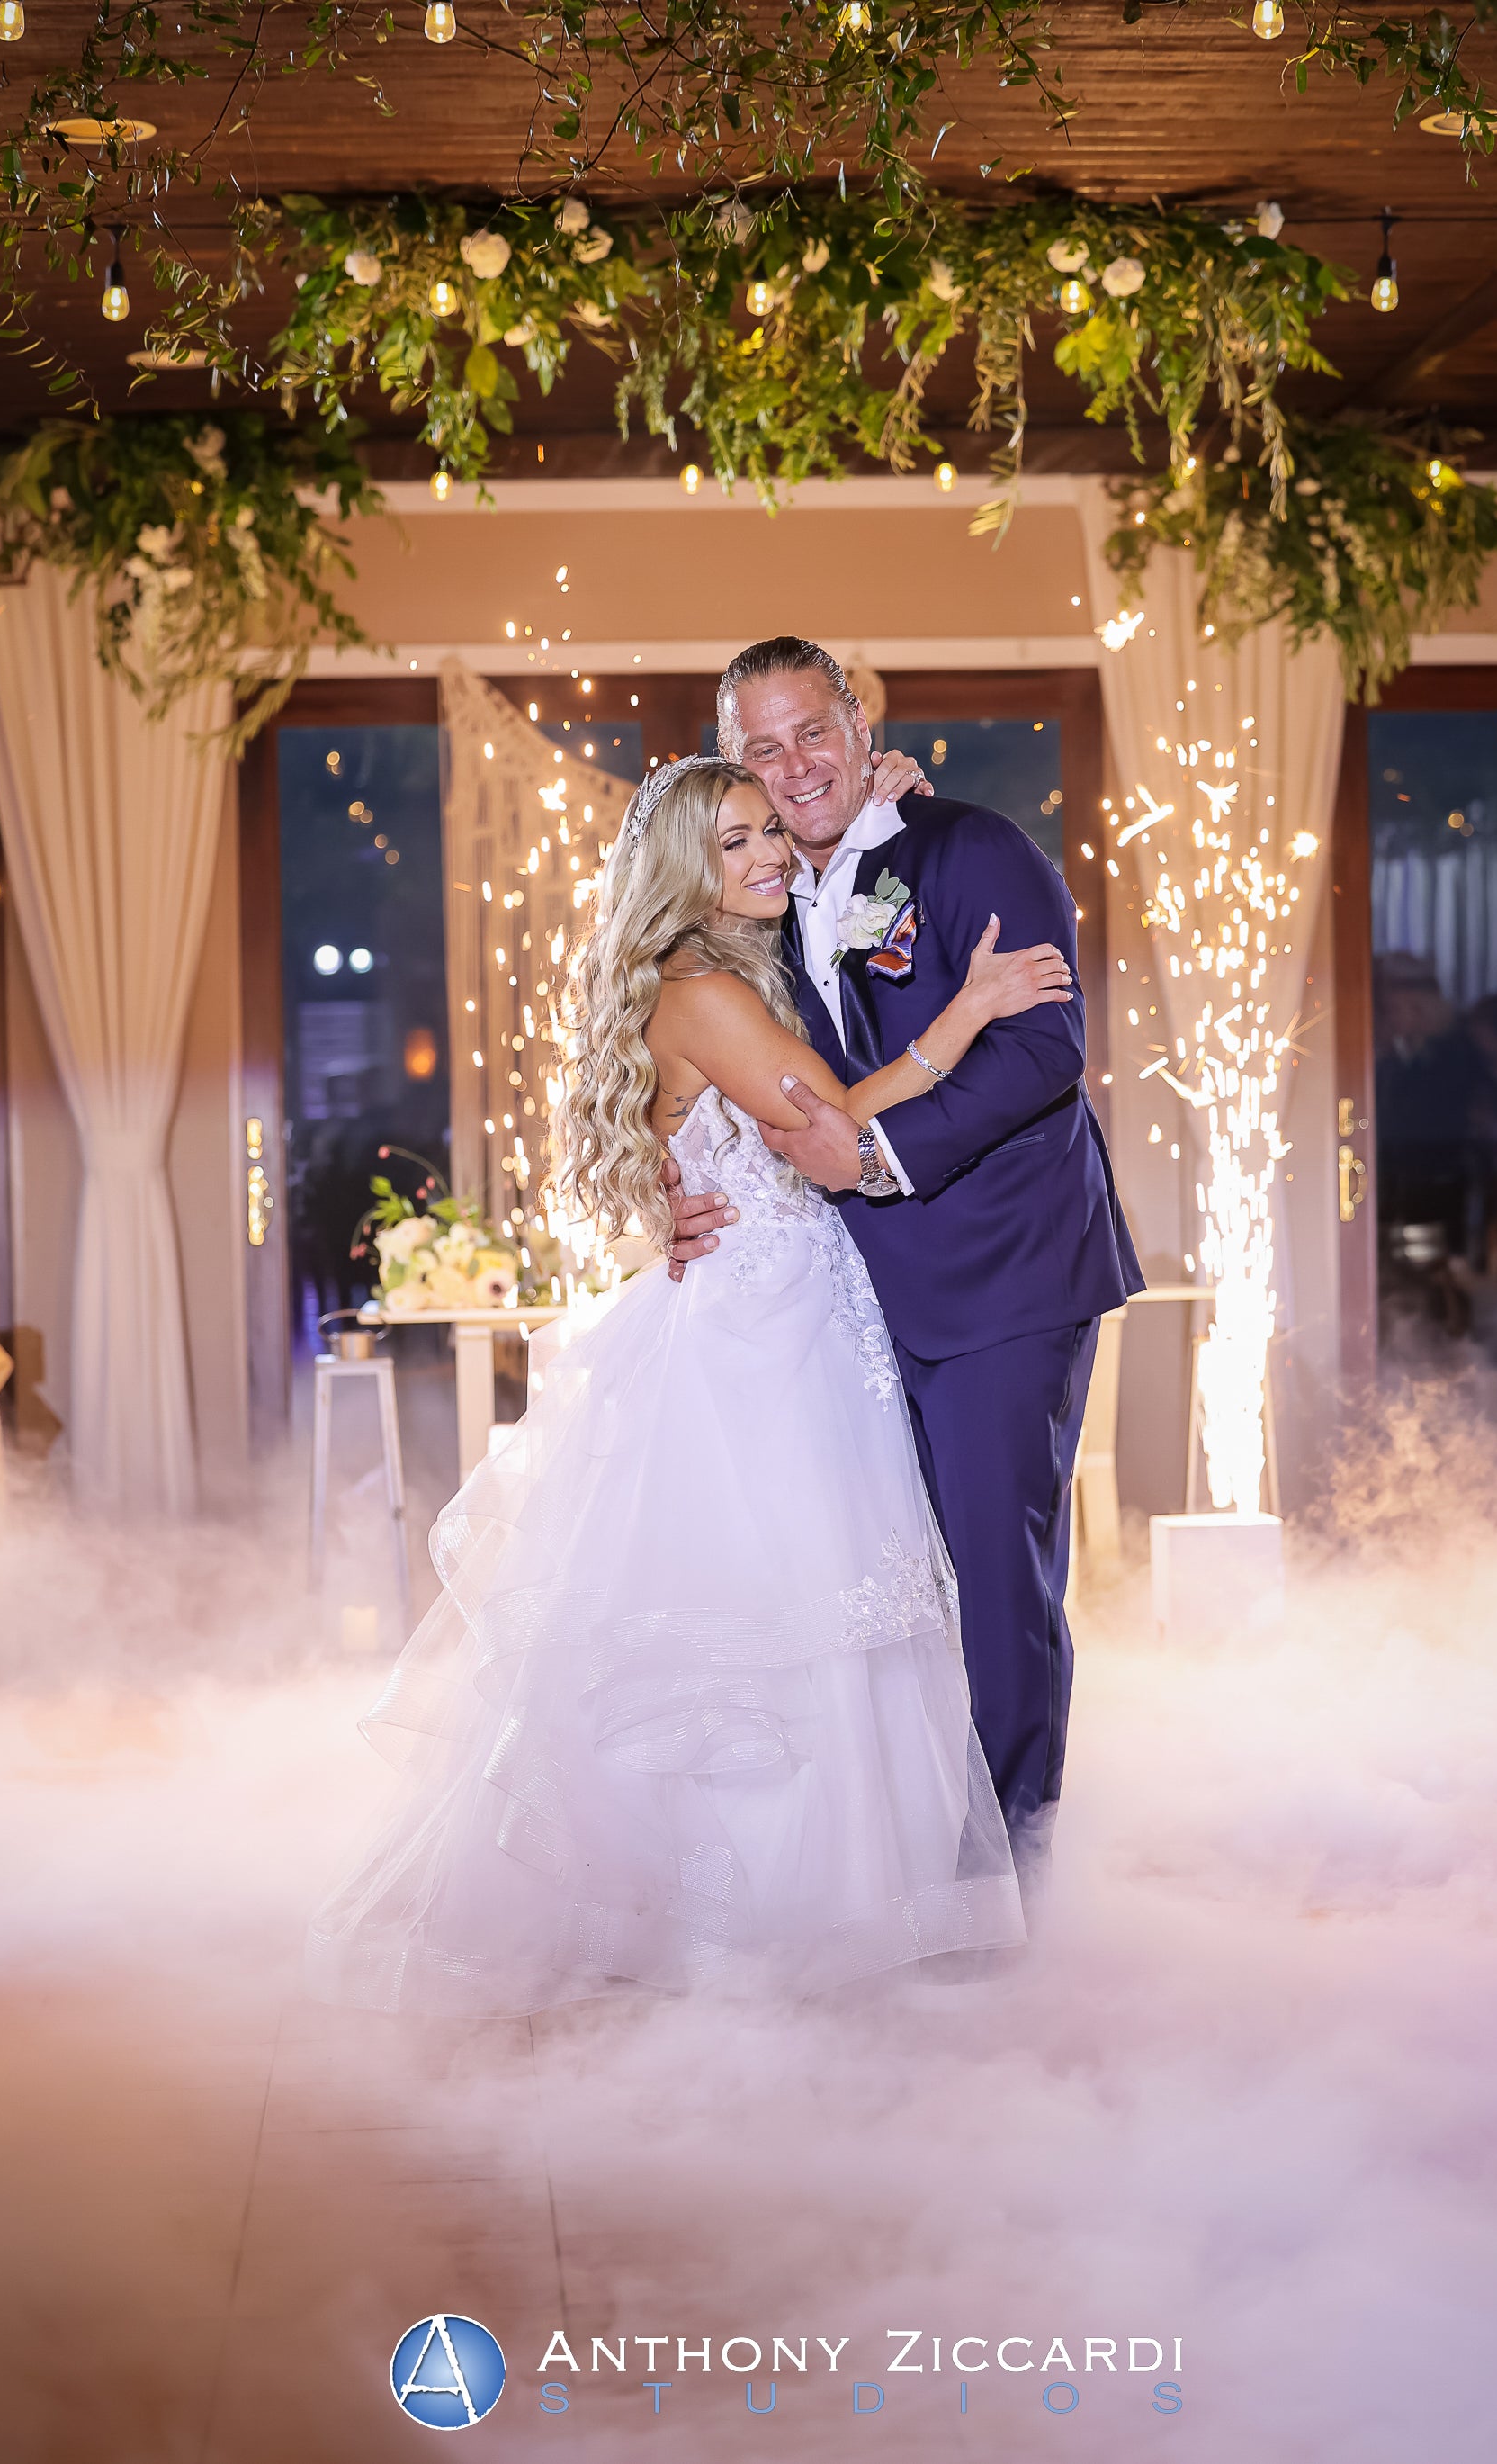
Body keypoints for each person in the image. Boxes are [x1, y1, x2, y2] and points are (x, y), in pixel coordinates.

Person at [307, 752, 1073, 2015]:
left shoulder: (724, 974)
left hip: (791, 1312)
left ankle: (825, 1914)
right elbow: (831, 1125)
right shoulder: (704, 987)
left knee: (812, 1620)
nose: (770, 851)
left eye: (771, 828)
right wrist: (972, 1008)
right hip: (757, 1346)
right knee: (765, 1631)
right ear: (681, 871)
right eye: (734, 840)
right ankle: (756, 1926)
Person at [665, 640, 1142, 1878]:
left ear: (858, 717)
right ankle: (907, 1856)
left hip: (1001, 1280)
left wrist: (870, 1154)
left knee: (993, 1585)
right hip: (853, 1307)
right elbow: (718, 1082)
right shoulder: (754, 908)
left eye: (811, 732)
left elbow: (1042, 1053)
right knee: (891, 1592)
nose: (794, 767)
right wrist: (666, 1183)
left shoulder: (969, 848)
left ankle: (1008, 1877)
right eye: (761, 750)